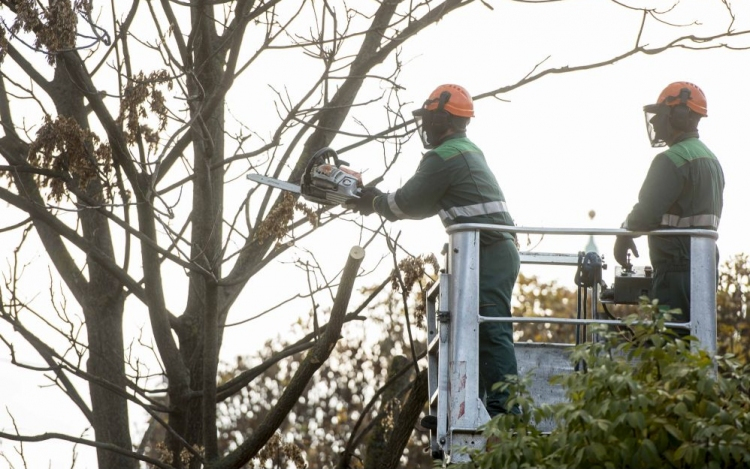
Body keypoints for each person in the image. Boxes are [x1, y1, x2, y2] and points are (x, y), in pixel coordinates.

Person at [350, 84, 521, 417]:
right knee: (472, 330)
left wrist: (373, 201)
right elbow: (418, 201)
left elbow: (408, 202)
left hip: (488, 252)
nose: (425, 126)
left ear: (445, 117)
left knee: (488, 328)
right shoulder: (463, 150)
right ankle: (482, 406)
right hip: (488, 251)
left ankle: (506, 413)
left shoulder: (443, 157)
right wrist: (376, 199)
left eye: (430, 118)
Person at [614, 81, 724, 327]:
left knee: (671, 346)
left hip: (675, 272)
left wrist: (624, 233)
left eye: (660, 115)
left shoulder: (670, 160)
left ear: (680, 114)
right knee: (698, 346)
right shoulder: (711, 160)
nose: (654, 123)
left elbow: (645, 214)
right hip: (704, 267)